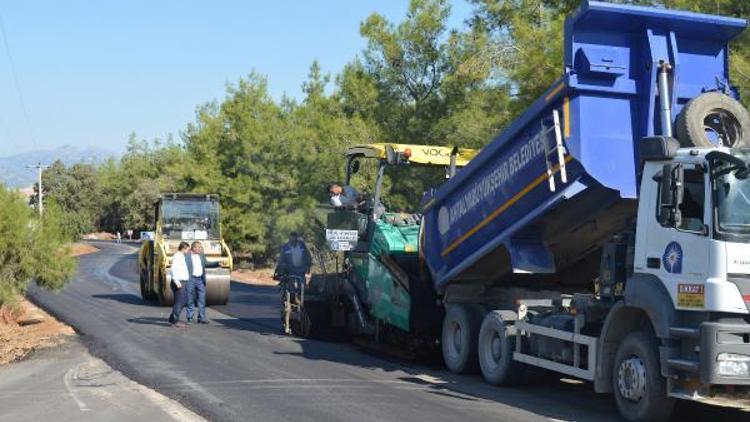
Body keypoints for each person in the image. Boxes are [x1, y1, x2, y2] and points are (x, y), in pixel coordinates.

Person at [185, 241, 210, 324]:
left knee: (202, 299)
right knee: (190, 299)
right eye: (199, 247)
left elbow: (206, 263)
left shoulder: (202, 255)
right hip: (190, 280)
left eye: (201, 247)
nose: (201, 249)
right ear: (194, 248)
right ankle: (190, 318)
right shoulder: (186, 256)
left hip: (200, 280)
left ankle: (202, 318)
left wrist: (217, 263)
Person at [168, 242, 191, 328]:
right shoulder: (177, 256)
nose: (188, 251)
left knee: (184, 301)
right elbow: (173, 269)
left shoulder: (182, 256)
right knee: (179, 302)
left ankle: (172, 318)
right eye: (188, 249)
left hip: (183, 282)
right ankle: (174, 321)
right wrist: (177, 282)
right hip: (179, 282)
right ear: (184, 248)